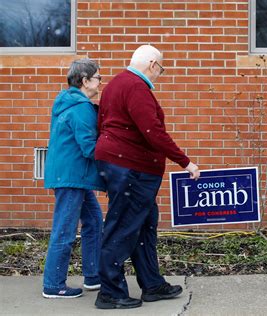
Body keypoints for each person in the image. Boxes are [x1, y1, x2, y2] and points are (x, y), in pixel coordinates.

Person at [94, 44, 200, 309]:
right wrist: (184, 161)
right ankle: (109, 292)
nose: (159, 74)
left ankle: (152, 284)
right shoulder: (136, 87)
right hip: (131, 168)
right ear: (153, 64)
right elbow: (152, 131)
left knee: (143, 224)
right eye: (160, 69)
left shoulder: (117, 83)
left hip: (121, 165)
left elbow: (103, 123)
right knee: (123, 227)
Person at [43, 58, 105, 298]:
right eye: (98, 77)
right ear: (85, 80)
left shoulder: (66, 102)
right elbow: (90, 147)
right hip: (72, 178)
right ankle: (53, 284)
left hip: (72, 176)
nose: (101, 81)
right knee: (64, 230)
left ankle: (93, 276)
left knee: (94, 222)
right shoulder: (80, 108)